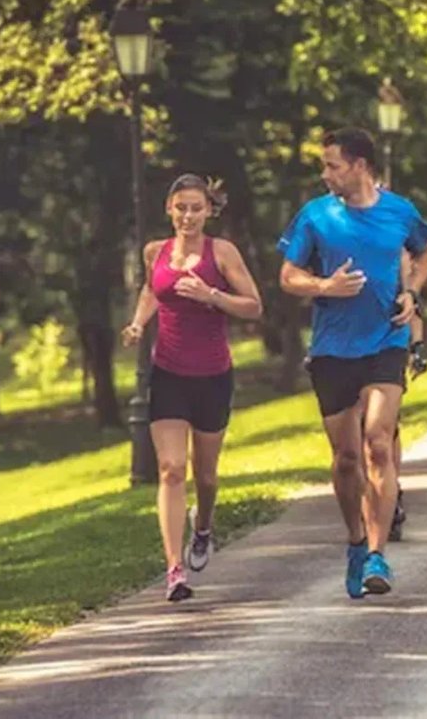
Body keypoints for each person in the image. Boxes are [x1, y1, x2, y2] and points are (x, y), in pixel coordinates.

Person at [278, 128, 427, 599]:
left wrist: (412, 292)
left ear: (360, 166)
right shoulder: (315, 216)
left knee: (378, 443)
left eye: (333, 165)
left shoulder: (400, 211)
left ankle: (377, 553)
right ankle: (354, 540)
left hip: (386, 340)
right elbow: (288, 275)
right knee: (346, 460)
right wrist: (324, 287)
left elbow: (424, 253)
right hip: (332, 350)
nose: (325, 174)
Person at [122, 174, 264, 602]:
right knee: (170, 469)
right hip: (167, 373)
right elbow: (152, 290)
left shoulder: (221, 253)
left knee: (205, 475)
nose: (187, 216)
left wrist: (211, 295)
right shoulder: (155, 252)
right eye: (180, 207)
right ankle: (173, 570)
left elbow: (254, 306)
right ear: (169, 208)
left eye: (196, 208)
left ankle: (202, 527)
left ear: (208, 211)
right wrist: (137, 323)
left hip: (213, 375)